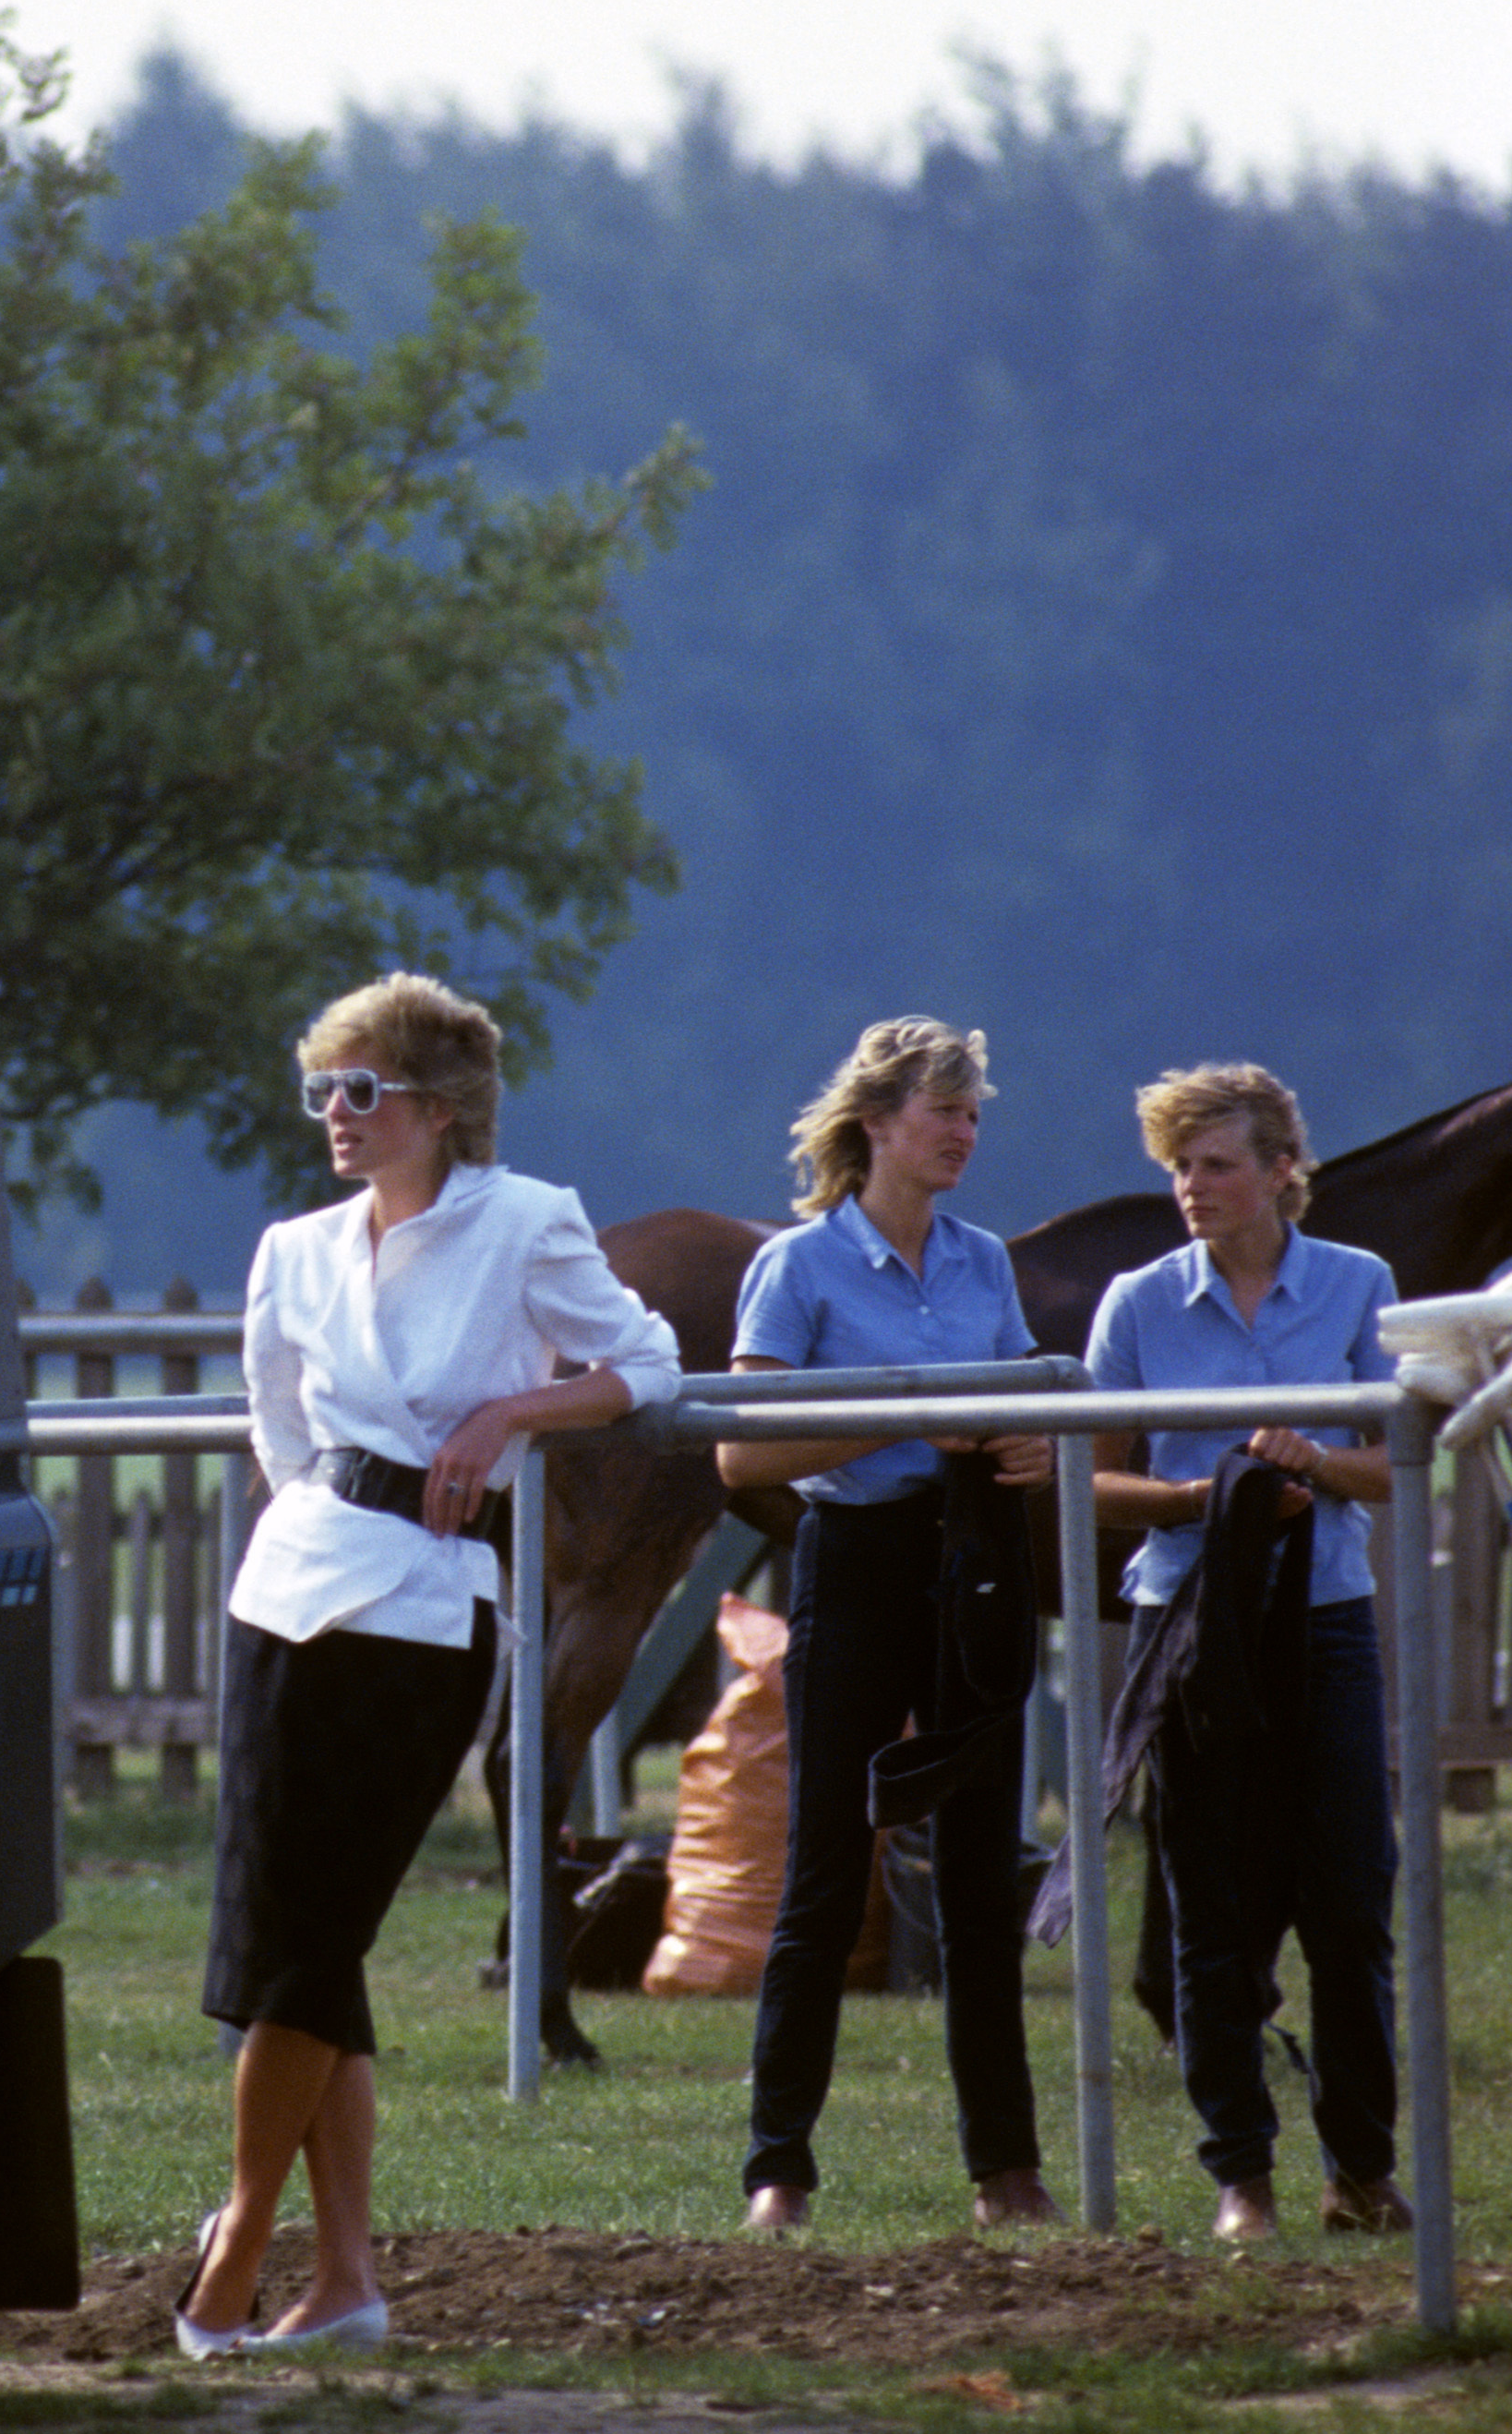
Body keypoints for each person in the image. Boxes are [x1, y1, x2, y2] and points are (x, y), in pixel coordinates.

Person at [175, 973, 683, 2357]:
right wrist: (332, 1510)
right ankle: (344, 2283)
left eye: (363, 1090)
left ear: (443, 1109)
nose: (335, 1116)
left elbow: (646, 1366)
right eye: (322, 1091)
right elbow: (278, 1429)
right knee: (299, 1952)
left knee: (308, 1947)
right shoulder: (294, 1248)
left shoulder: (526, 1222)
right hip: (289, 1593)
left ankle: (232, 2247)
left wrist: (514, 1411)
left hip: (425, 1610)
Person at [718, 1018, 1060, 2237]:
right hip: (854, 1561)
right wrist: (909, 1414)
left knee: (980, 1880)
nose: (963, 1134)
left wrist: (1019, 1440)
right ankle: (779, 2168)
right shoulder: (799, 1267)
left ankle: (1005, 2170)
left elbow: (1020, 1407)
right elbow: (740, 1447)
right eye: (941, 1113)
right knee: (822, 1873)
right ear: (875, 1126)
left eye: (972, 1114)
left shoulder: (982, 1265)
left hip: (968, 1560)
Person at [1086, 1064, 1408, 2245]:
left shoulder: (1360, 1286)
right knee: (1207, 1908)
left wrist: (1312, 1465)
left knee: (1349, 1897)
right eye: (1178, 1167)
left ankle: (1361, 2167)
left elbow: (1402, 1463)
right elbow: (1096, 1478)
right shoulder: (1138, 1303)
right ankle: (1242, 2175)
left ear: (1282, 1170)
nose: (1191, 1188)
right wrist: (1198, 1494)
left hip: (1323, 1618)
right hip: (1191, 1625)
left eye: (1215, 1163)